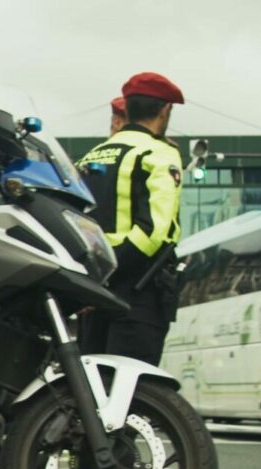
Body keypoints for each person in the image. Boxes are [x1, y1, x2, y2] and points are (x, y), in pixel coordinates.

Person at [77, 72, 185, 366]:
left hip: (92, 293)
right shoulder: (159, 153)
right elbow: (157, 232)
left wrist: (95, 279)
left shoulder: (90, 157)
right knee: (134, 393)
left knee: (93, 393)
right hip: (138, 293)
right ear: (165, 111)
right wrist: (117, 271)